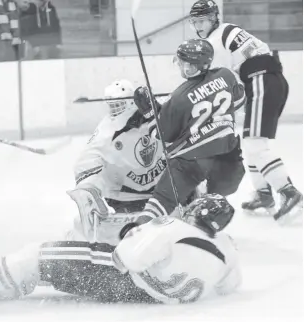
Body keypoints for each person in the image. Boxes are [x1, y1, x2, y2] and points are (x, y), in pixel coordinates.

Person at [0, 193, 241, 304]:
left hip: (125, 282)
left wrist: (133, 232)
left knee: (42, 253)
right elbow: (230, 286)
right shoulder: (227, 247)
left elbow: (127, 258)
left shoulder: (173, 228)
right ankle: (9, 281)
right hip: (152, 297)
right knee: (58, 262)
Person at [188, 0, 302, 223]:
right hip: (268, 81)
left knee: (254, 144)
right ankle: (263, 193)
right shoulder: (227, 29)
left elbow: (216, 81)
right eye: (194, 22)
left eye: (202, 20)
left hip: (261, 81)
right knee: (251, 143)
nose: (198, 26)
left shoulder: (214, 42)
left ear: (213, 19)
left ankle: (288, 192)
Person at [133, 38, 245, 222]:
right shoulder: (226, 75)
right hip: (229, 161)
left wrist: (150, 113)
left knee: (162, 200)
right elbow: (240, 101)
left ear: (191, 67)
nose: (179, 66)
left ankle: (136, 233)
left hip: (192, 161)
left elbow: (164, 135)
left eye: (182, 62)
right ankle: (204, 217)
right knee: (211, 205)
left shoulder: (179, 98)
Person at [68, 79, 166, 245]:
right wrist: (88, 189)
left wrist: (156, 107)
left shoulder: (155, 112)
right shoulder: (108, 130)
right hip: (128, 197)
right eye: (112, 106)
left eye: (118, 105)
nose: (114, 111)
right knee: (142, 238)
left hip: (160, 190)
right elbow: (88, 158)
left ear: (131, 102)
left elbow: (179, 114)